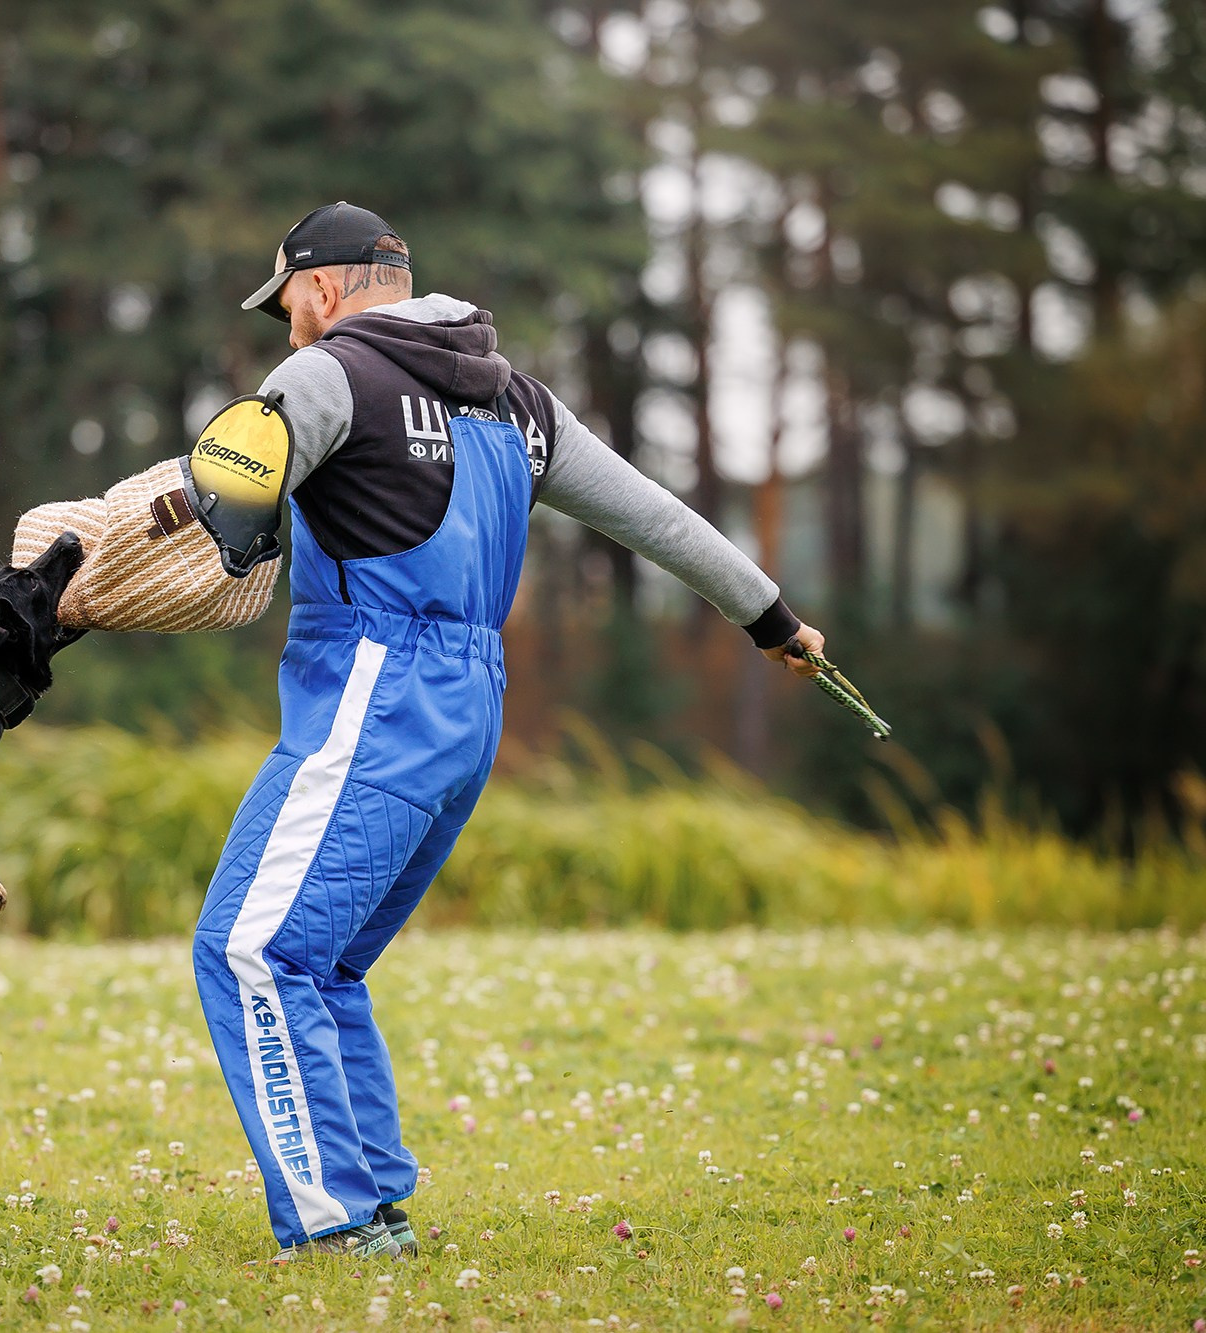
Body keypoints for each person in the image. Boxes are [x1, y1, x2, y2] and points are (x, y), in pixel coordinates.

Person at [189, 202, 827, 1263]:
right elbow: (653, 514)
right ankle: (375, 1200)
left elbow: (222, 478)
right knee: (323, 957)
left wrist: (161, 553)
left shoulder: (326, 375)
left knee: (248, 948)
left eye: (289, 300)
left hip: (374, 688)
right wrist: (768, 614)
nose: (287, 325)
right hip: (468, 706)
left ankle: (332, 1222)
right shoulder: (515, 400)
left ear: (328, 283)